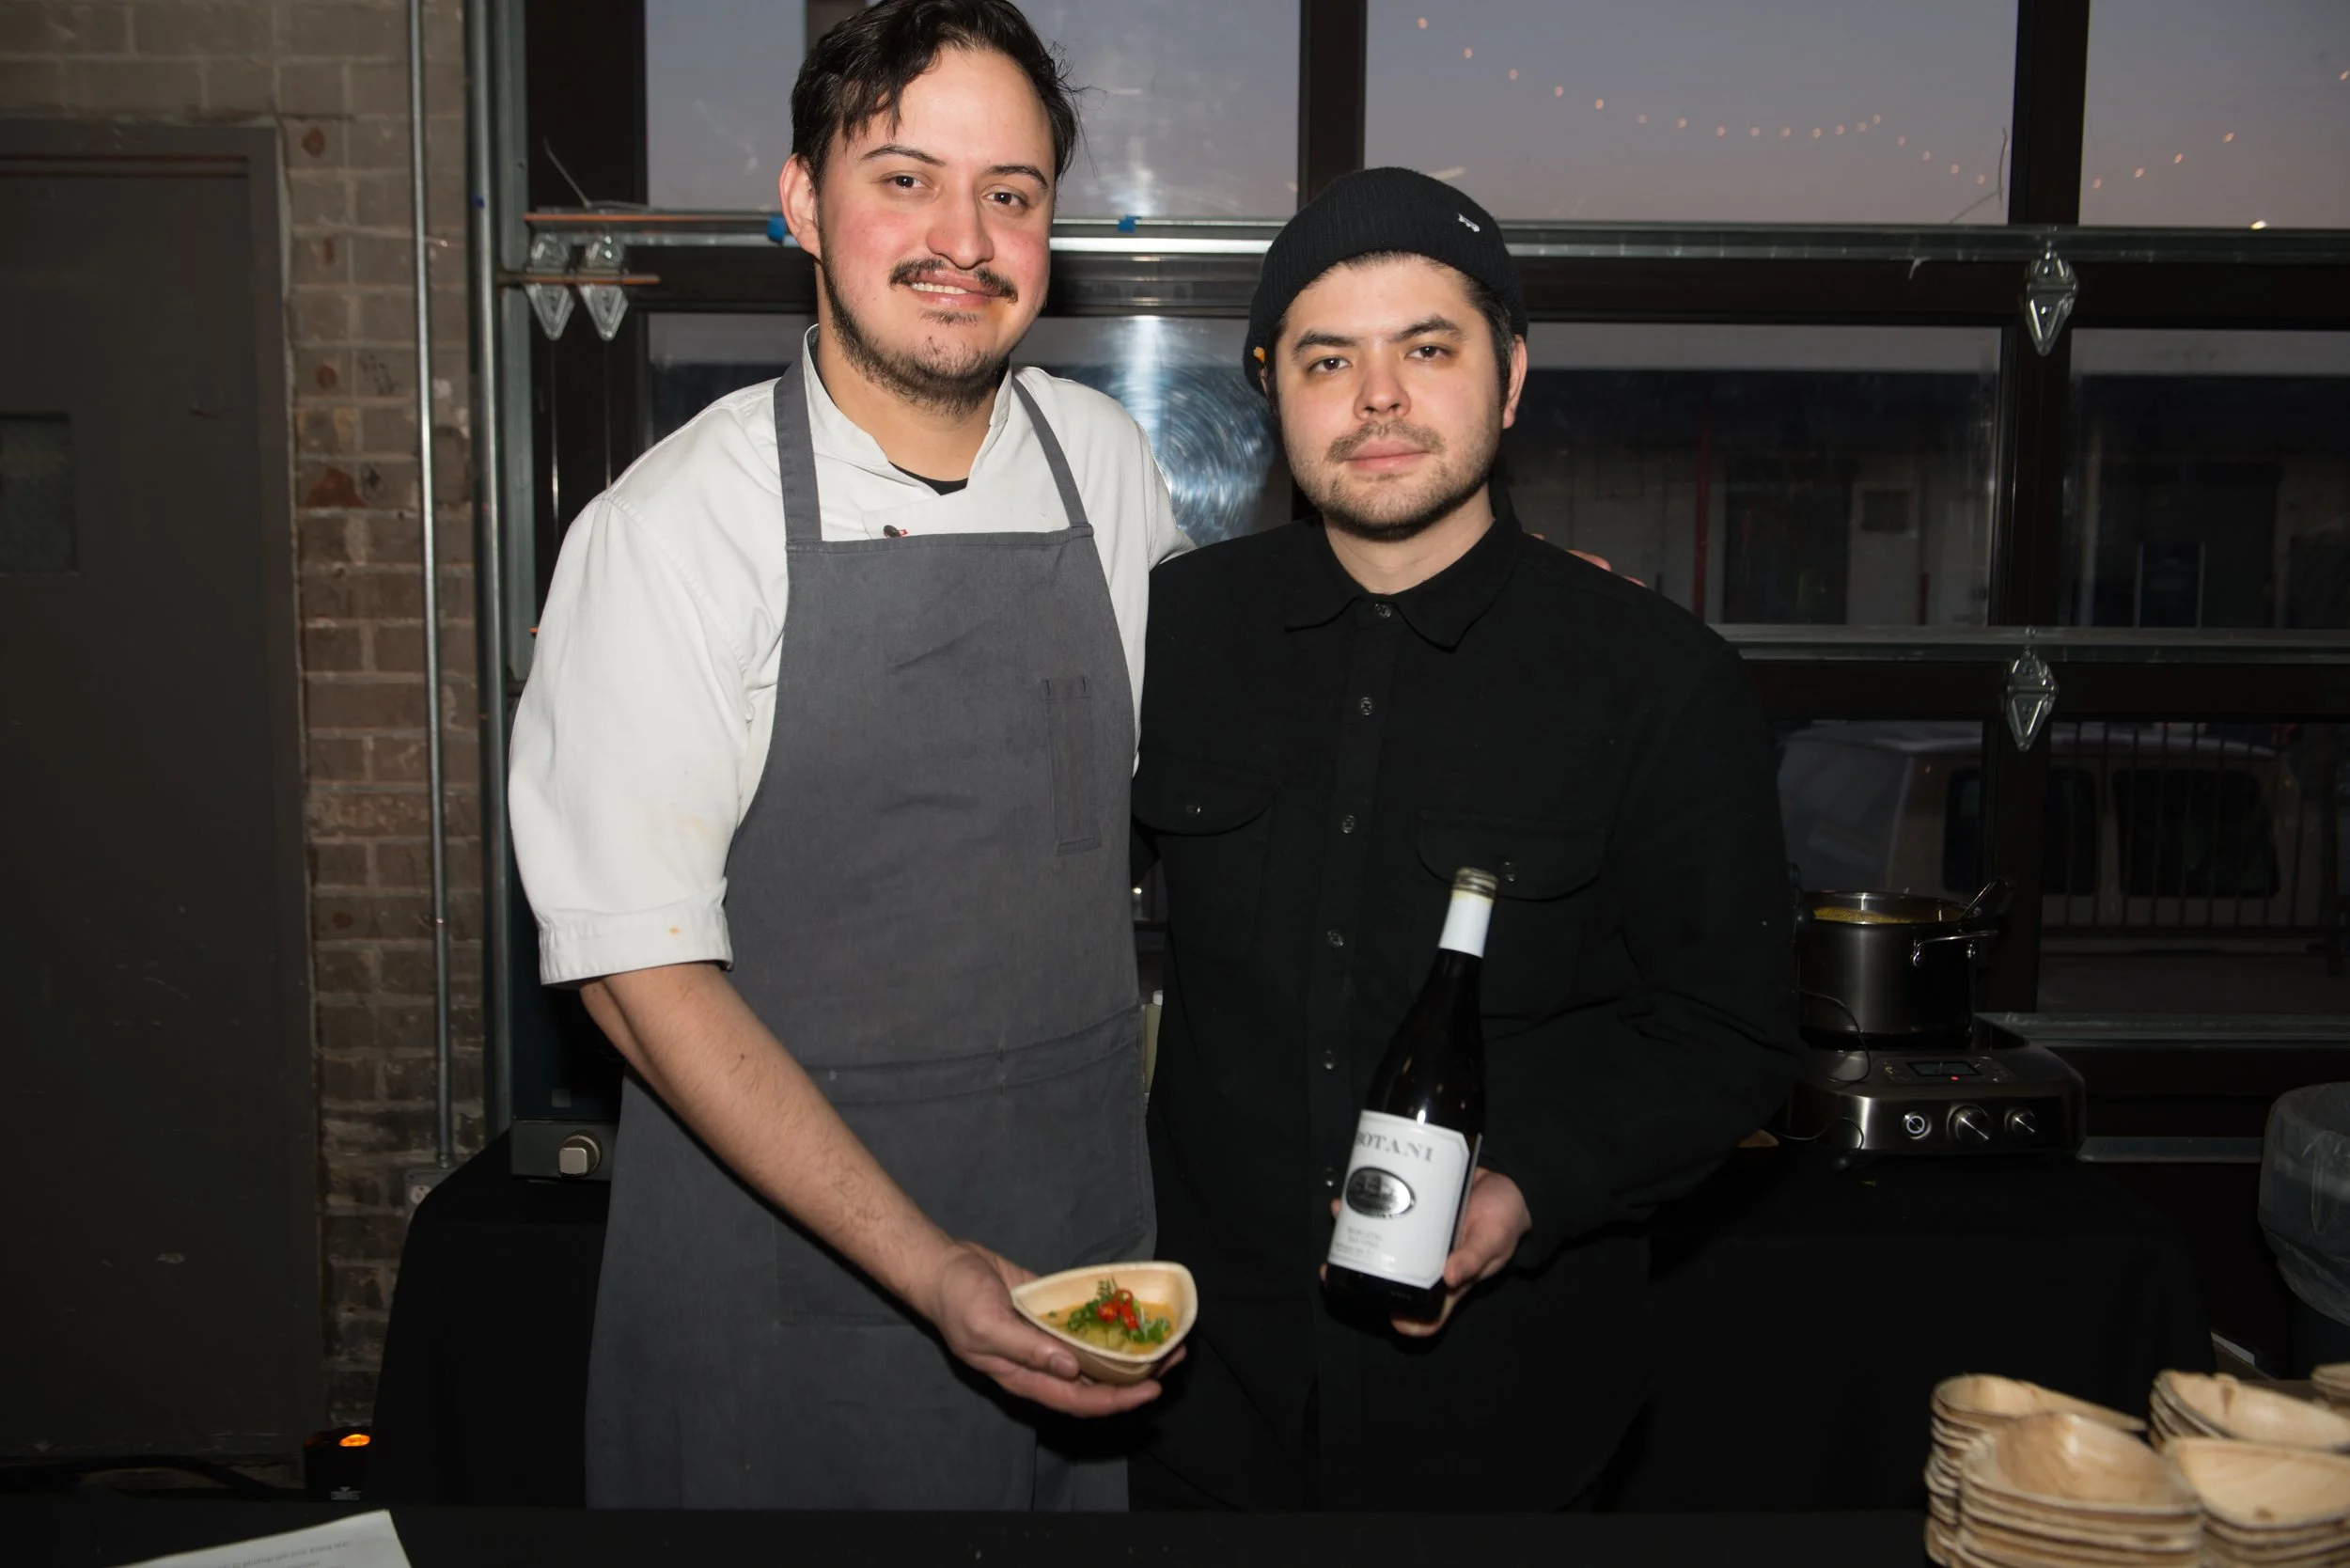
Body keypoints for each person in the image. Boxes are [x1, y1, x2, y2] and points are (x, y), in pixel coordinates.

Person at [509, 0, 1191, 1510]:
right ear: (805, 202)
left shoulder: (1107, 466)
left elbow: (1230, 751)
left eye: (1009, 191)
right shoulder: (671, 533)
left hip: (1083, 1264)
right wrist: (930, 1266)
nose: (964, 236)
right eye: (904, 178)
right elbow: (639, 977)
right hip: (786, 1293)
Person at [1129, 168, 1805, 1512]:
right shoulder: (1172, 637)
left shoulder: (1656, 681)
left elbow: (1726, 1032)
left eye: (1427, 350)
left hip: (1509, 1423)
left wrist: (1529, 1185)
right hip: (1197, 1404)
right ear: (1273, 392)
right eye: (1329, 359)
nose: (1377, 398)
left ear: (1510, 380)